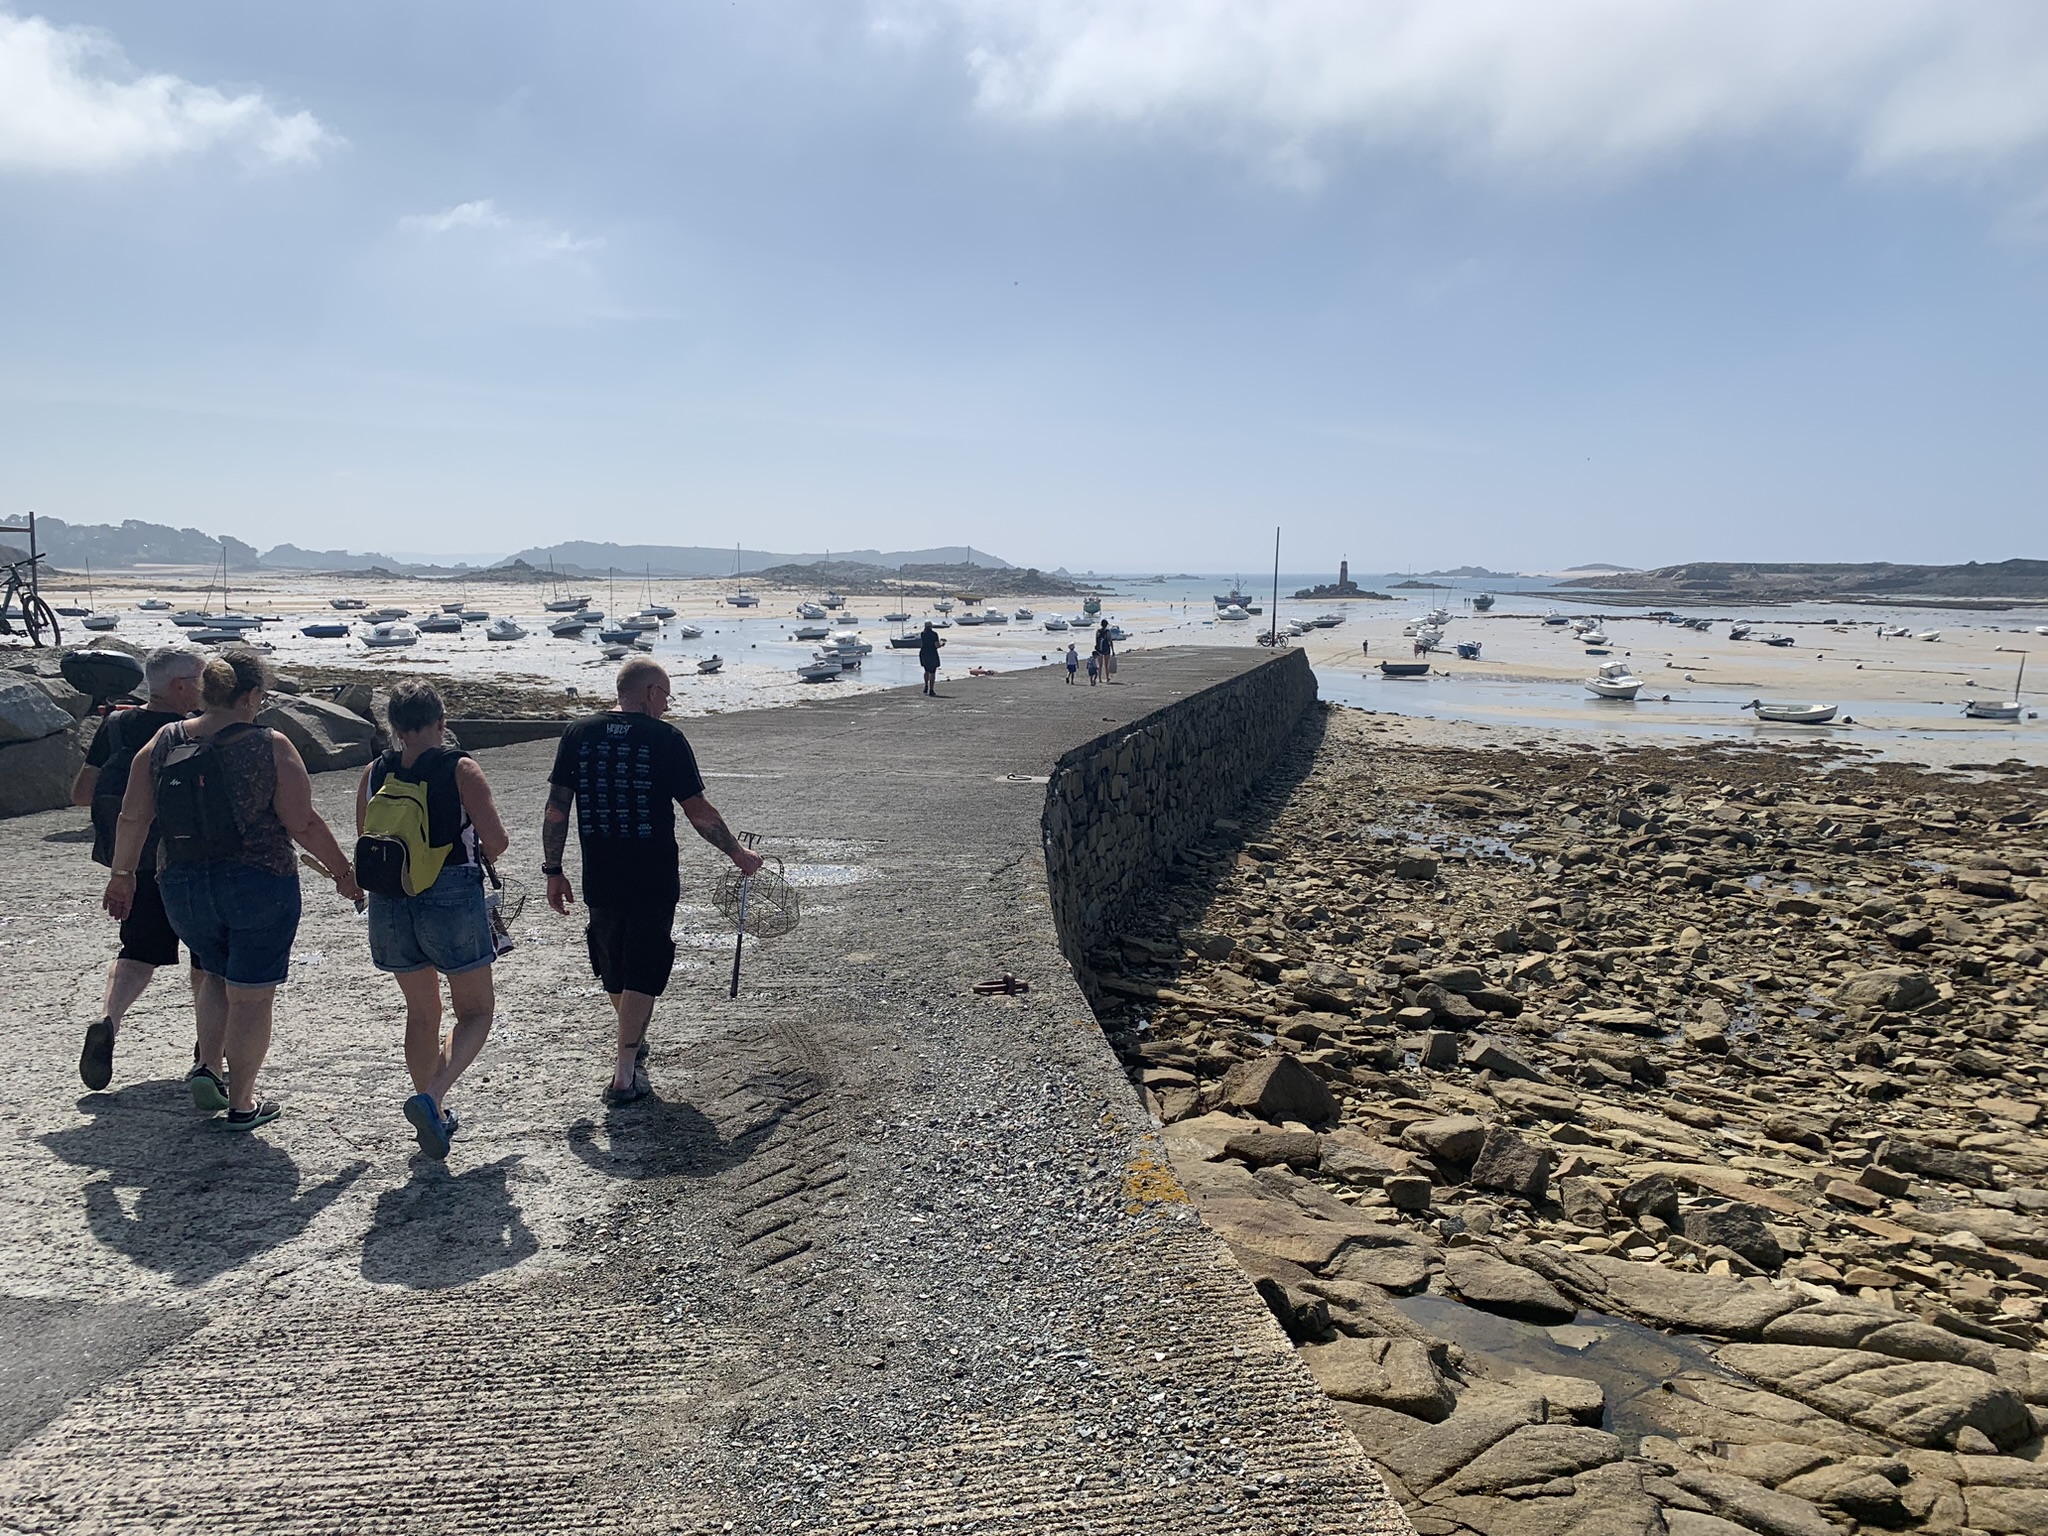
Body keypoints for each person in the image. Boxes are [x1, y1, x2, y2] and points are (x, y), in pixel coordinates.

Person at [101, 649, 360, 1130]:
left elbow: (133, 816)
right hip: (258, 881)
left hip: (181, 883)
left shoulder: (163, 740)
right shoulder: (271, 743)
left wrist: (122, 876)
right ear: (251, 696)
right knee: (253, 996)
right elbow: (301, 822)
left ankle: (210, 1068)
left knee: (214, 974)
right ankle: (242, 1102)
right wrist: (343, 872)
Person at [541, 658, 762, 1103]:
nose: (666, 704)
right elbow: (697, 810)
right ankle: (624, 1072)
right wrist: (738, 853)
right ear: (648, 692)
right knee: (645, 961)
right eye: (665, 694)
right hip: (652, 871)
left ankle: (632, 1044)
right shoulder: (666, 739)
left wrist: (553, 869)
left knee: (612, 960)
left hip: (598, 869)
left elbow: (556, 808)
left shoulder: (578, 733)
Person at [354, 681, 510, 1160]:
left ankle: (435, 1119)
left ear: (394, 726)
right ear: (441, 722)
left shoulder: (375, 769)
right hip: (449, 893)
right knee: (476, 1011)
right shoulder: (460, 767)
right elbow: (497, 841)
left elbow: (365, 834)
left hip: (390, 898)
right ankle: (432, 1099)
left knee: (422, 1013)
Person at [71, 647, 204, 1091]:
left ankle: (108, 1020)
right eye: (201, 679)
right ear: (179, 686)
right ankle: (209, 1049)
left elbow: (82, 792)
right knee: (206, 956)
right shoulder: (193, 731)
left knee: (137, 953)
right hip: (191, 860)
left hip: (138, 863)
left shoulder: (115, 725)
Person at [917, 621, 945, 696]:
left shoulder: (923, 634)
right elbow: (936, 645)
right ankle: (931, 689)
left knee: (926, 670)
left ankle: (926, 685)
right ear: (931, 626)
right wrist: (941, 645)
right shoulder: (934, 634)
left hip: (924, 652)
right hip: (932, 653)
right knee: (932, 672)